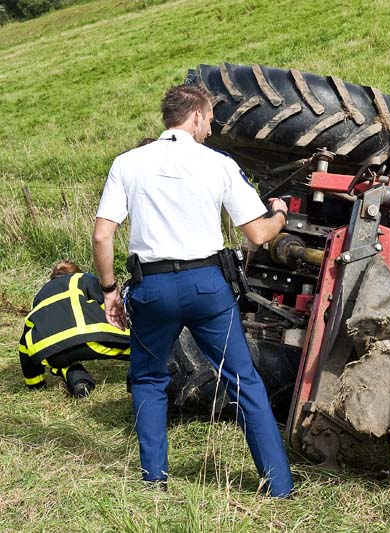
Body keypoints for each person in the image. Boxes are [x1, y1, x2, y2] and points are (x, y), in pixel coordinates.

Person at [92, 84, 293, 496]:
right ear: (197, 116)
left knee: (148, 379)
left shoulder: (127, 163)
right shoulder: (218, 163)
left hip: (152, 288)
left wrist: (110, 290)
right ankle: (279, 485)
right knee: (244, 381)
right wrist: (279, 215)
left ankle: (154, 482)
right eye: (209, 121)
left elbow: (101, 237)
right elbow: (257, 234)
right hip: (207, 288)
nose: (210, 129)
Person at [18, 260, 130, 398]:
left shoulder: (40, 296)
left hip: (51, 352)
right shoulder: (83, 278)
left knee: (62, 359)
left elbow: (24, 346)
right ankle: (151, 374)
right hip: (87, 337)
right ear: (77, 272)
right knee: (143, 350)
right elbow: (109, 306)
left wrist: (35, 384)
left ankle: (79, 382)